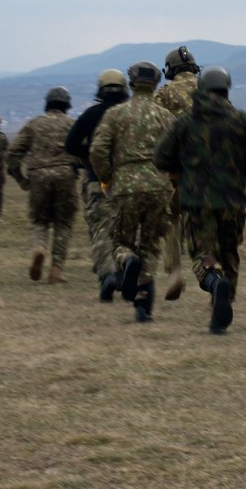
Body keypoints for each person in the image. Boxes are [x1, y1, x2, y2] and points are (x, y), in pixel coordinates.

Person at [153, 66, 246, 334]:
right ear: (226, 88)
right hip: (233, 200)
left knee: (203, 254)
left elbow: (160, 157)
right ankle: (221, 309)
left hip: (197, 202)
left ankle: (212, 281)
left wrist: (181, 170)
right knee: (229, 253)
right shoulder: (240, 119)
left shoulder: (186, 122)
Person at [90, 62, 176, 322]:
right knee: (150, 245)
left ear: (132, 83)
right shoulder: (166, 116)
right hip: (159, 185)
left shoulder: (116, 114)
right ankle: (143, 305)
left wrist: (107, 177)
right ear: (156, 84)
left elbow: (97, 150)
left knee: (121, 241)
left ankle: (127, 261)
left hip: (125, 185)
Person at [64, 69, 130, 301]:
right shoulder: (130, 114)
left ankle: (108, 276)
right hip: (128, 183)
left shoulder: (91, 114)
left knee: (102, 231)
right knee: (126, 231)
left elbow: (70, 145)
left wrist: (90, 154)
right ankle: (126, 264)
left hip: (97, 181)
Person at [7, 88, 81, 283]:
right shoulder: (72, 125)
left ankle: (40, 247)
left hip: (38, 175)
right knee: (63, 223)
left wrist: (21, 179)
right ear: (67, 105)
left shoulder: (34, 124)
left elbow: (13, 153)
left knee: (40, 221)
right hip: (65, 174)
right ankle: (56, 269)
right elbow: (86, 150)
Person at [153, 45, 201, 301]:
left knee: (171, 216)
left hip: (177, 168)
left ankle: (175, 272)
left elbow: (154, 125)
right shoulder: (210, 89)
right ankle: (213, 274)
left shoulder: (165, 93)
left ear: (170, 71)